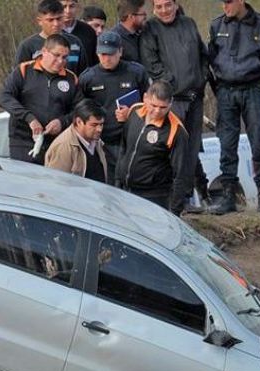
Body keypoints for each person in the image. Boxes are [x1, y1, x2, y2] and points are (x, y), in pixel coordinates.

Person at [208, 0, 260, 217]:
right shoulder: (216, 26)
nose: (225, 7)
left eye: (229, 2)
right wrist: (219, 86)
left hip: (253, 89)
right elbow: (210, 58)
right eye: (223, 2)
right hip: (226, 90)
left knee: (258, 141)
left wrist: (258, 82)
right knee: (227, 143)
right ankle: (228, 196)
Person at [140, 0, 210, 210]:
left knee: (191, 149)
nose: (164, 10)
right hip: (172, 100)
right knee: (173, 150)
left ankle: (187, 197)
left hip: (195, 97)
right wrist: (173, 84)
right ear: (154, 8)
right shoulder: (150, 29)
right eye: (159, 6)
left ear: (176, 4)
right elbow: (151, 63)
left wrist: (202, 78)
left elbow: (203, 54)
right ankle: (172, 200)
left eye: (168, 5)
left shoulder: (189, 23)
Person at [0, 34, 83, 165]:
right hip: (23, 140)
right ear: (44, 51)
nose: (60, 61)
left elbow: (80, 110)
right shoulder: (24, 70)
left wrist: (62, 122)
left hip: (57, 142)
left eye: (64, 57)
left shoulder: (71, 79)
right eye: (56, 55)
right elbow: (5, 97)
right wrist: (29, 118)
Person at [79, 31, 147, 183]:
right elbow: (80, 111)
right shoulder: (88, 78)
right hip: (102, 142)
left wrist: (132, 112)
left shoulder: (136, 72)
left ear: (120, 51)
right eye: (103, 54)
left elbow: (150, 103)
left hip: (132, 140)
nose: (107, 59)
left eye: (111, 54)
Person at [116, 80, 191, 213]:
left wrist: (175, 211)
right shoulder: (135, 111)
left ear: (170, 104)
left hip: (154, 196)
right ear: (145, 98)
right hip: (125, 190)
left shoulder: (176, 131)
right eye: (154, 105)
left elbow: (180, 175)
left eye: (163, 107)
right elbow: (124, 148)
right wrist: (118, 180)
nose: (157, 111)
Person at [15, 0, 87, 76]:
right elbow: (19, 77)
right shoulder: (28, 46)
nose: (56, 24)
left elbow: (84, 75)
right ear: (39, 21)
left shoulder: (75, 42)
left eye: (59, 19)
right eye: (50, 20)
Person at [45, 99, 108, 182]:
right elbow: (56, 184)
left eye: (101, 124)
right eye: (94, 125)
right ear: (79, 122)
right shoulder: (64, 147)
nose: (99, 129)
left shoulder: (96, 141)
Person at [62, 0, 99, 69]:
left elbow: (95, 61)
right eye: (63, 6)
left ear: (77, 7)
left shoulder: (88, 31)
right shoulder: (53, 32)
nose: (68, 11)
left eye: (71, 6)